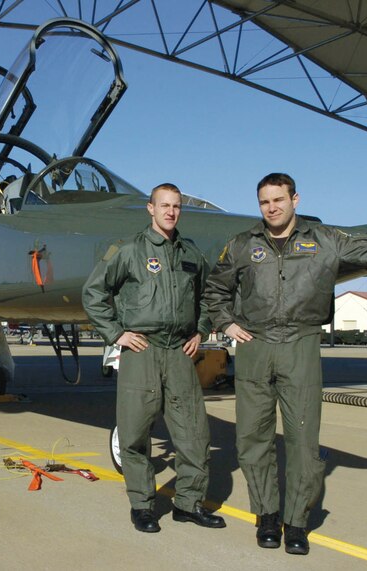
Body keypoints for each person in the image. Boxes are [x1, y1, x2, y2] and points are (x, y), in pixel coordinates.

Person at [204, 172, 367, 555]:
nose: (272, 207)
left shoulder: (324, 240)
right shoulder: (243, 245)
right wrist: (226, 322)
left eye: (279, 199)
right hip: (256, 346)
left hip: (301, 345)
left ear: (295, 200)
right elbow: (216, 289)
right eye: (264, 201)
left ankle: (295, 522)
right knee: (252, 441)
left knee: (304, 442)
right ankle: (267, 517)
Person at [83, 183, 225, 533]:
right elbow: (94, 292)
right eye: (164, 205)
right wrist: (117, 333)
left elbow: (208, 295)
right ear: (150, 209)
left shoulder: (191, 253)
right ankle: (143, 505)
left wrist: (201, 330)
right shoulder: (129, 250)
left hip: (179, 351)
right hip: (141, 351)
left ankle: (189, 504)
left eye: (176, 206)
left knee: (194, 433)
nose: (171, 212)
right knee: (134, 432)